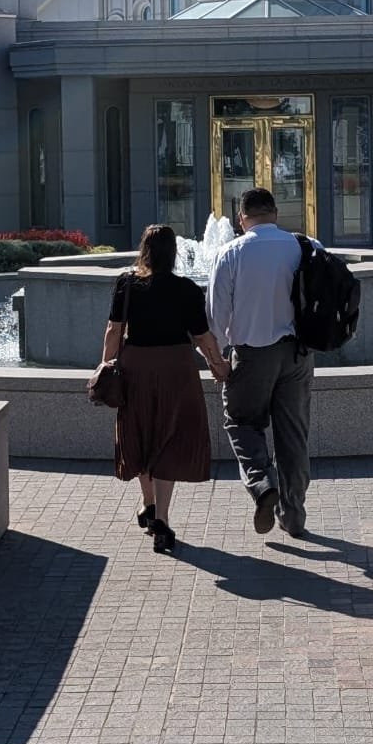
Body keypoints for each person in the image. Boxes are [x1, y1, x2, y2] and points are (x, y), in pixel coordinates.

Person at [98, 222, 228, 555]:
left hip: (136, 367)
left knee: (141, 434)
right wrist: (218, 365)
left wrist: (106, 365)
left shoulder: (126, 284)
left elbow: (114, 329)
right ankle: (163, 521)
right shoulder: (185, 289)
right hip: (177, 369)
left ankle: (149, 504)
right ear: (173, 254)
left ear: (145, 251)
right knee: (169, 437)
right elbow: (202, 336)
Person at [207, 186, 314, 539]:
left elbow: (215, 314)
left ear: (241, 219)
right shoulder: (304, 246)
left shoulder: (232, 252)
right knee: (293, 434)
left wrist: (218, 359)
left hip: (251, 355)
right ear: (276, 214)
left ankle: (262, 483)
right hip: (298, 353)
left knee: (240, 422)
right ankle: (294, 515)